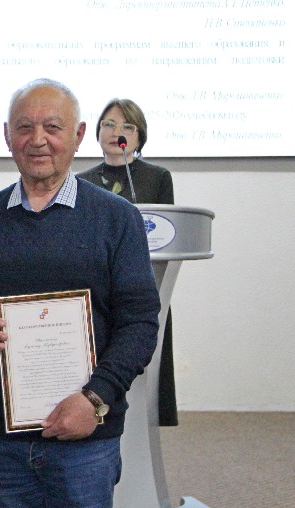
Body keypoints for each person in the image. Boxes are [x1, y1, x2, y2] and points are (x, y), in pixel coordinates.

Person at [0, 79, 161, 508]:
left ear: (78, 136)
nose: (37, 139)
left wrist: (94, 399)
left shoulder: (117, 218)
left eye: (52, 127)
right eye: (24, 127)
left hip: (86, 437)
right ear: (7, 136)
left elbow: (139, 324)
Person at [77, 98, 178, 426]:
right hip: (96, 287)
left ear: (139, 136)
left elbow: (167, 231)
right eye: (108, 124)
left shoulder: (157, 177)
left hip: (142, 284)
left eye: (126, 126)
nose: (115, 132)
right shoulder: (80, 181)